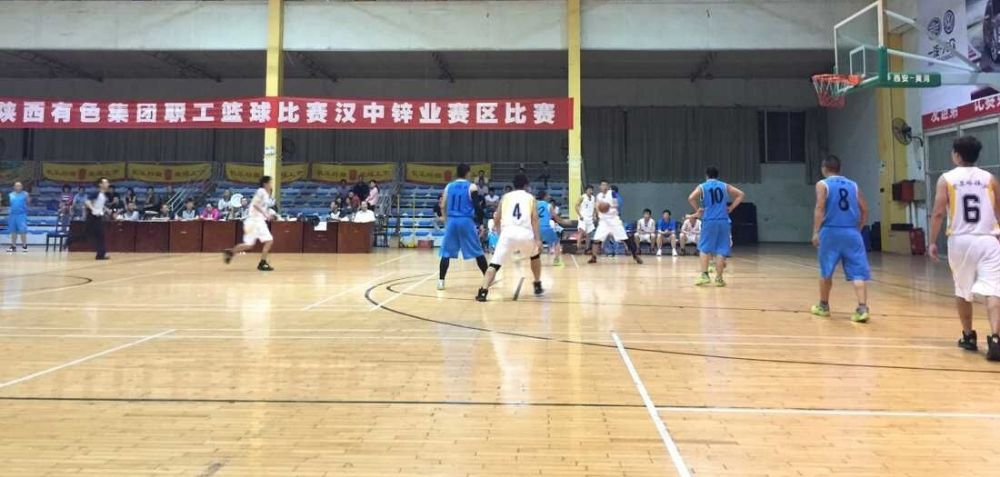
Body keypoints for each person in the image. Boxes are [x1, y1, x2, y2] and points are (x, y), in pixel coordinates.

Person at [928, 136, 1000, 361]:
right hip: (988, 239)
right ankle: (996, 338)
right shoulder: (990, 179)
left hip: (960, 240)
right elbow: (998, 210)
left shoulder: (946, 179)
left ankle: (968, 336)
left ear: (957, 155)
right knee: (994, 290)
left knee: (963, 290)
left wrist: (932, 241)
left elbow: (938, 213)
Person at [810, 155, 872, 323]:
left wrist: (816, 231)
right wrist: (858, 228)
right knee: (858, 272)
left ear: (824, 168)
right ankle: (862, 308)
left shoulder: (823, 184)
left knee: (826, 271)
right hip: (852, 232)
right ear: (839, 168)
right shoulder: (853, 185)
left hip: (830, 231)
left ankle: (823, 306)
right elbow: (865, 209)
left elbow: (820, 207)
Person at [476, 174, 543, 302]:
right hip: (525, 233)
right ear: (526, 185)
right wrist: (538, 239)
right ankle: (537, 283)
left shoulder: (505, 197)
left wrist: (499, 232)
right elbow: (535, 218)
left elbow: (497, 217)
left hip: (508, 233)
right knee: (535, 256)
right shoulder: (530, 197)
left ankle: (483, 291)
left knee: (494, 264)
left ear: (513, 185)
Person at [688, 166, 745, 287]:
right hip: (724, 220)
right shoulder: (724, 185)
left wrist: (698, 210)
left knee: (704, 249)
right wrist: (731, 207)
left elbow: (691, 198)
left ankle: (705, 275)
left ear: (706, 175)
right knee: (721, 250)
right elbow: (740, 194)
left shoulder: (702, 186)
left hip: (709, 220)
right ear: (717, 176)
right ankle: (719, 278)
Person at [438, 164, 489, 290]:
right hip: (466, 221)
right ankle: (488, 278)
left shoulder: (449, 186)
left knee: (446, 253)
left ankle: (441, 281)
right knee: (478, 251)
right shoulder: (471, 186)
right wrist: (480, 223)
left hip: (452, 221)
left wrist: (445, 219)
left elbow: (442, 205)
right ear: (467, 173)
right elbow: (477, 207)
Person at [223, 176, 276, 272]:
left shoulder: (265, 194)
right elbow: (255, 204)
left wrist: (269, 214)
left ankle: (231, 252)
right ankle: (262, 263)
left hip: (252, 221)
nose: (271, 184)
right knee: (269, 240)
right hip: (256, 221)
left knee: (249, 245)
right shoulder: (261, 191)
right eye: (270, 183)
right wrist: (266, 215)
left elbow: (262, 207)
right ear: (265, 184)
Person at [589, 180, 642, 264]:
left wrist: (607, 206)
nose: (604, 186)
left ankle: (635, 255)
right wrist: (596, 213)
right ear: (600, 187)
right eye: (602, 185)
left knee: (624, 238)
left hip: (614, 220)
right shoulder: (598, 196)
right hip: (603, 221)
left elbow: (616, 205)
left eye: (605, 185)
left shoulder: (612, 194)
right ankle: (593, 257)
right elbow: (596, 205)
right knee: (596, 239)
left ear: (607, 186)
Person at [65, 177, 110, 260]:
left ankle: (100, 255)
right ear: (100, 184)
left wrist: (106, 209)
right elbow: (87, 201)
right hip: (92, 218)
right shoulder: (96, 193)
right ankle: (70, 240)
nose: (108, 184)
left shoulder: (103, 195)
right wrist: (92, 209)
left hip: (98, 218)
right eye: (105, 182)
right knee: (85, 236)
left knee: (101, 236)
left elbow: (99, 205)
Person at [537, 190, 565, 266]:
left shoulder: (534, 204)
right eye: (547, 195)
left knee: (538, 243)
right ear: (545, 196)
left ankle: (536, 260)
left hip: (536, 228)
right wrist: (565, 222)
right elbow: (556, 217)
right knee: (557, 242)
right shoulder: (549, 205)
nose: (549, 196)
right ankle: (556, 261)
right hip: (545, 227)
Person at [6, 181, 29, 253]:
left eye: (20, 186)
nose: (18, 187)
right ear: (14, 187)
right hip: (12, 215)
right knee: (13, 231)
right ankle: (13, 246)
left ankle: (24, 246)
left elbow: (28, 202)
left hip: (21, 215)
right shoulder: (10, 194)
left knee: (23, 231)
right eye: (17, 186)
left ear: (22, 187)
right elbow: (10, 204)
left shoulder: (25, 194)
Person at [575, 184, 596, 255]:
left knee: (589, 234)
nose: (590, 191)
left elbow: (594, 208)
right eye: (589, 189)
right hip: (583, 218)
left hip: (590, 218)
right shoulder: (582, 197)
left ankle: (587, 249)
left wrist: (594, 215)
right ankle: (578, 248)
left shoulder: (593, 198)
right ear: (586, 190)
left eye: (591, 190)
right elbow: (576, 206)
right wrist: (580, 215)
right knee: (581, 232)